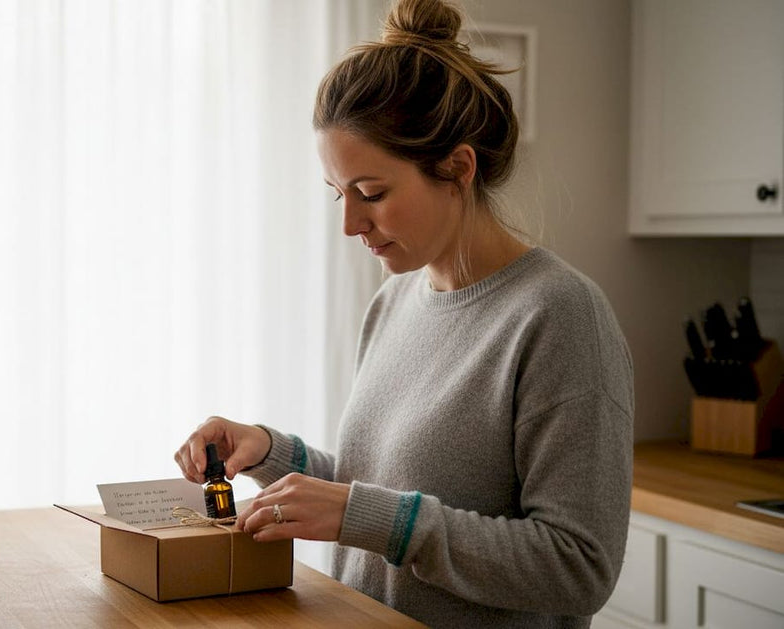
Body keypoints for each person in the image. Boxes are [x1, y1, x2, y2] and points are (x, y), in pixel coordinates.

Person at [174, 0, 634, 626]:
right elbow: (384, 489)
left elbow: (578, 566)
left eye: (371, 194)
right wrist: (268, 452)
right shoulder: (393, 301)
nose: (349, 223)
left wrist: (364, 516)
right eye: (339, 195)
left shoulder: (560, 316)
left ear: (457, 168)